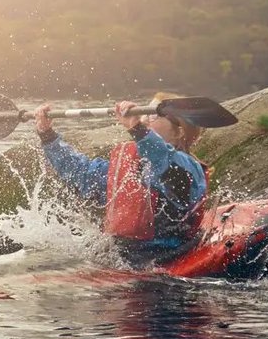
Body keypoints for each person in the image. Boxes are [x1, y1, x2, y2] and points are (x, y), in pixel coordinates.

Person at [35, 95, 208, 261]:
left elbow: (164, 161)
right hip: (124, 261)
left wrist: (138, 129)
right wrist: (47, 135)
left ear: (179, 132)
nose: (146, 120)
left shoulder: (187, 167)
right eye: (145, 114)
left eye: (154, 116)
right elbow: (82, 173)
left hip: (169, 258)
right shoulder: (130, 163)